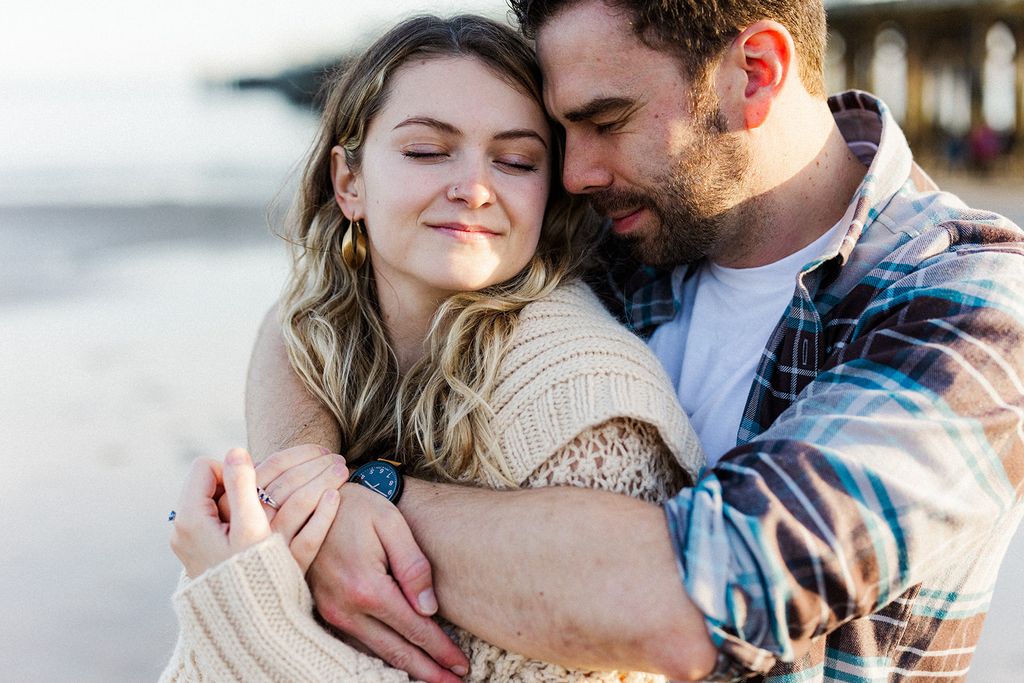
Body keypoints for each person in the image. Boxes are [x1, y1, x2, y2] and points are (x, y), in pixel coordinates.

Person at [245, 0, 1024, 681]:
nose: (573, 173)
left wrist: (368, 498)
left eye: (606, 121)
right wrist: (309, 482)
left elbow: (698, 602)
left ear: (753, 73)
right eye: (555, 135)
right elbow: (319, 316)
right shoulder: (627, 221)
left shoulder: (969, 302)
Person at [162, 13, 705, 683]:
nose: (473, 186)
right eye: (426, 150)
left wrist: (242, 603)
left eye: (515, 160)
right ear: (348, 181)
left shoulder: (584, 407)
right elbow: (289, 324)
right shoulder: (327, 343)